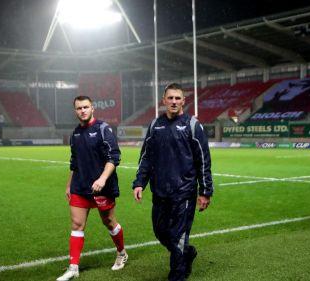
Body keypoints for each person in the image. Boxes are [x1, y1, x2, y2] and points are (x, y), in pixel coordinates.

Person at [133, 83, 213, 281]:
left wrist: (205, 191)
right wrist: (139, 182)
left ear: (184, 101)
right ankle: (187, 253)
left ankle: (177, 275)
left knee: (178, 237)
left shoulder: (192, 125)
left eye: (178, 98)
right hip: (160, 192)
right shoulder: (155, 125)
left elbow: (203, 159)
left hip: (183, 193)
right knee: (160, 232)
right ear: (164, 100)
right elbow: (146, 157)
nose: (174, 102)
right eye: (170, 98)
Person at [57, 96, 127, 281]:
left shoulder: (103, 129)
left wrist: (103, 179)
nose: (83, 111)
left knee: (109, 222)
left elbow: (114, 157)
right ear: (75, 111)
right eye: (79, 108)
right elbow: (74, 163)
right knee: (77, 224)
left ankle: (121, 253)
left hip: (102, 187)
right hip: (80, 186)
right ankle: (73, 267)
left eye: (86, 107)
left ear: (92, 108)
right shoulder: (75, 134)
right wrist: (69, 185)